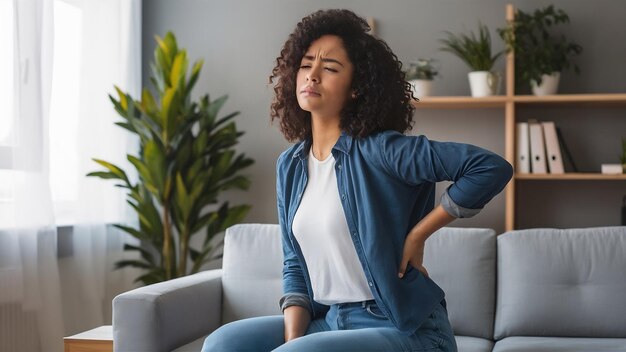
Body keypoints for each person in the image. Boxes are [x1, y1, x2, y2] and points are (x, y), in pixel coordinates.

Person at [202, 9, 512, 352]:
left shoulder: (383, 150)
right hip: (331, 321)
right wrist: (292, 340)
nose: (313, 75)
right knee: (223, 342)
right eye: (306, 65)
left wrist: (419, 234)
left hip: (404, 328)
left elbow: (489, 167)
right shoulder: (289, 165)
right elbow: (294, 265)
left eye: (330, 68)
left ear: (356, 89)